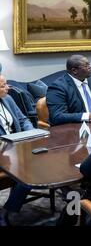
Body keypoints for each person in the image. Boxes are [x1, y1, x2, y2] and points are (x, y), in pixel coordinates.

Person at [0, 75, 35, 226]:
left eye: (5, 84)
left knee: (40, 165)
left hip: (18, 147)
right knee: (29, 175)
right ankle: (7, 211)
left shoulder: (8, 99)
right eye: (3, 85)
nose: (7, 87)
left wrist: (31, 131)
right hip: (2, 152)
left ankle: (8, 208)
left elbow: (23, 119)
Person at [47, 55, 91, 126]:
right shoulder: (58, 87)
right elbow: (57, 117)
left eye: (89, 64)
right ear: (74, 70)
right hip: (73, 129)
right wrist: (88, 116)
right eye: (86, 65)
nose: (90, 67)